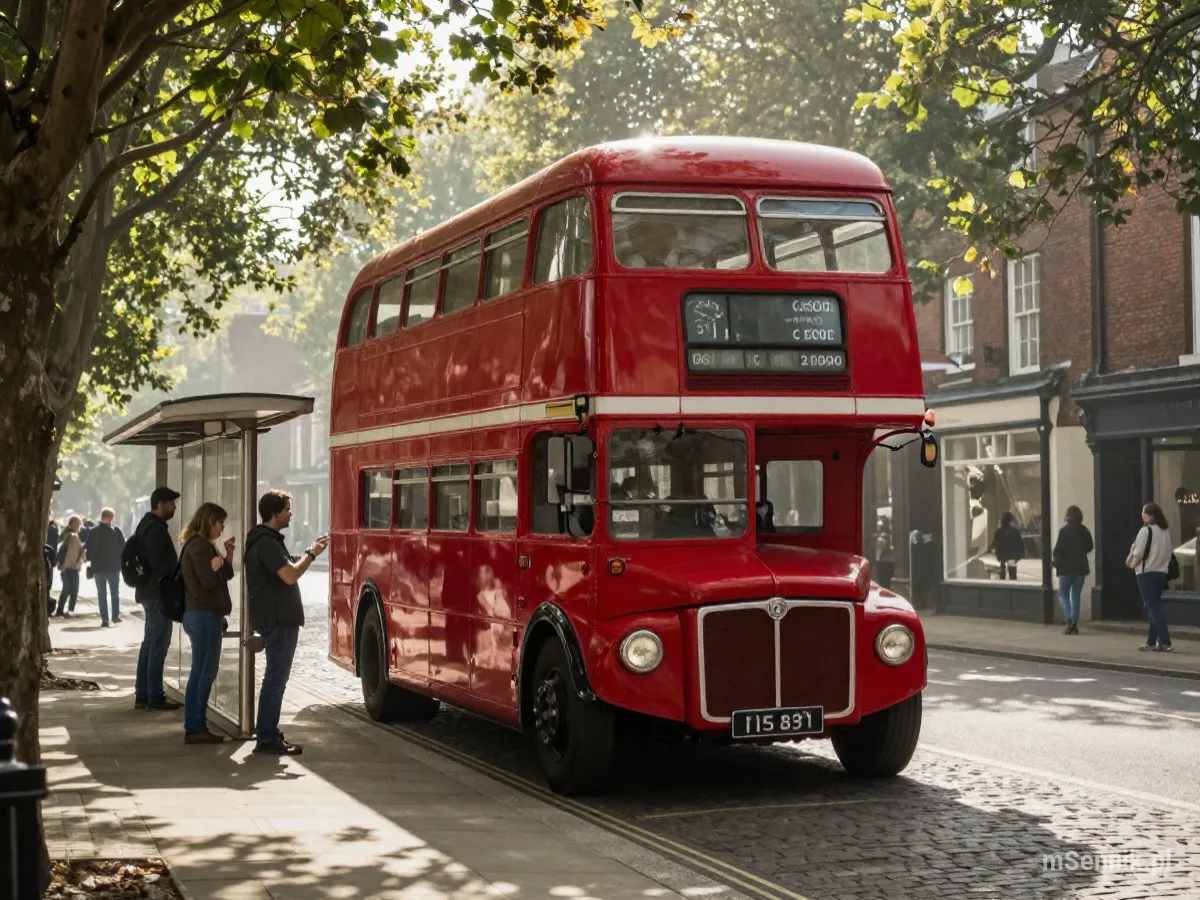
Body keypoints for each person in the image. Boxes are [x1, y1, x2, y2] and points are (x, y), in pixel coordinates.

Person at [244, 489, 327, 755]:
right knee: (276, 679)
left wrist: (308, 552)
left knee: (275, 678)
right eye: (287, 509)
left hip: (276, 617)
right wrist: (311, 555)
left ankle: (268, 730)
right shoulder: (266, 543)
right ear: (275, 512)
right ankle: (266, 736)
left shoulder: (267, 540)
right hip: (278, 619)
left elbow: (287, 567)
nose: (291, 513)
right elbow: (290, 575)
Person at [179, 502, 236, 744]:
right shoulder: (200, 546)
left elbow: (225, 575)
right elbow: (208, 582)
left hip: (203, 615)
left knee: (201, 671)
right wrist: (214, 566)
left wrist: (226, 556)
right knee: (204, 672)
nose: (223, 527)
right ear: (209, 521)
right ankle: (195, 726)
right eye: (220, 522)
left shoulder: (202, 545)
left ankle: (195, 724)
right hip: (203, 616)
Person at [134, 487, 183, 711]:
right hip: (157, 594)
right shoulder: (154, 529)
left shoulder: (147, 525)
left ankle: (144, 694)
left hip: (150, 592)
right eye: (172, 504)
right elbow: (159, 563)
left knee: (150, 643)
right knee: (158, 644)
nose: (174, 508)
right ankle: (154, 695)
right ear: (161, 504)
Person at [1126, 502, 1173, 652]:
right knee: (1154, 606)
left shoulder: (1145, 531)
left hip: (1146, 573)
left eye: (1144, 512)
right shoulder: (1165, 532)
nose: (1142, 515)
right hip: (1161, 572)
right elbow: (1169, 553)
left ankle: (1165, 641)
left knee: (1153, 607)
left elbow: (1138, 553)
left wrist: (1133, 564)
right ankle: (1152, 641)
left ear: (1150, 515)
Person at [1052, 505, 1093, 635]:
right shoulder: (1084, 530)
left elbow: (1058, 550)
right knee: (1076, 596)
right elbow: (1090, 546)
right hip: (1081, 568)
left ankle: (1070, 620)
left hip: (1066, 568)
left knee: (1063, 595)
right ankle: (1074, 623)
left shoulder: (1064, 531)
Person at [84, 507, 126, 627]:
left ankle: (105, 619)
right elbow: (123, 547)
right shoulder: (116, 531)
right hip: (114, 567)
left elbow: (87, 547)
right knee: (114, 593)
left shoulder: (93, 531)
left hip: (98, 568)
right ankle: (115, 616)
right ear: (111, 518)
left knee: (101, 594)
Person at [53, 516, 86, 618]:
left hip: (66, 566)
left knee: (67, 589)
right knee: (72, 590)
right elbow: (71, 554)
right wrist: (70, 565)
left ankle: (60, 610)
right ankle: (69, 610)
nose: (79, 527)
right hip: (71, 567)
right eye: (78, 525)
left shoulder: (65, 534)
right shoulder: (73, 536)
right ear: (73, 524)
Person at [991, 512, 1024, 580]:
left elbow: (994, 544)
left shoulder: (998, 532)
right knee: (1012, 573)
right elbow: (1020, 544)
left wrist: (995, 551)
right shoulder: (1015, 532)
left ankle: (1003, 578)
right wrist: (1019, 556)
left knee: (1003, 572)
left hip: (1002, 555)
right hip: (1012, 555)